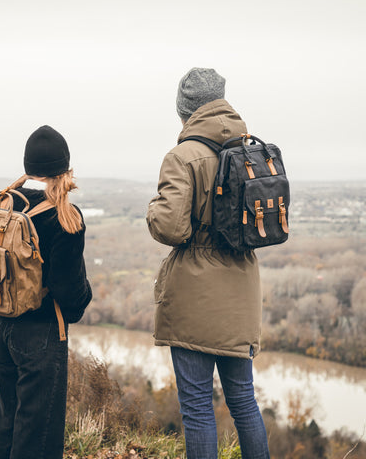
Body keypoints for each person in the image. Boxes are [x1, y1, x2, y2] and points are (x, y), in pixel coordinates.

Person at [146, 68, 270, 459]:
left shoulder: (183, 156)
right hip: (242, 290)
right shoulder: (251, 150)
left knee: (198, 408)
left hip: (194, 295)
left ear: (185, 110)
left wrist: (152, 210)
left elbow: (169, 227)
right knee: (244, 401)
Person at [0, 125, 92, 459]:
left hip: (3, 329)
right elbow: (71, 293)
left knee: (9, 425)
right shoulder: (64, 216)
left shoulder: (6, 202)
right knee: (39, 437)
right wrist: (82, 301)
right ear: (65, 169)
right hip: (42, 336)